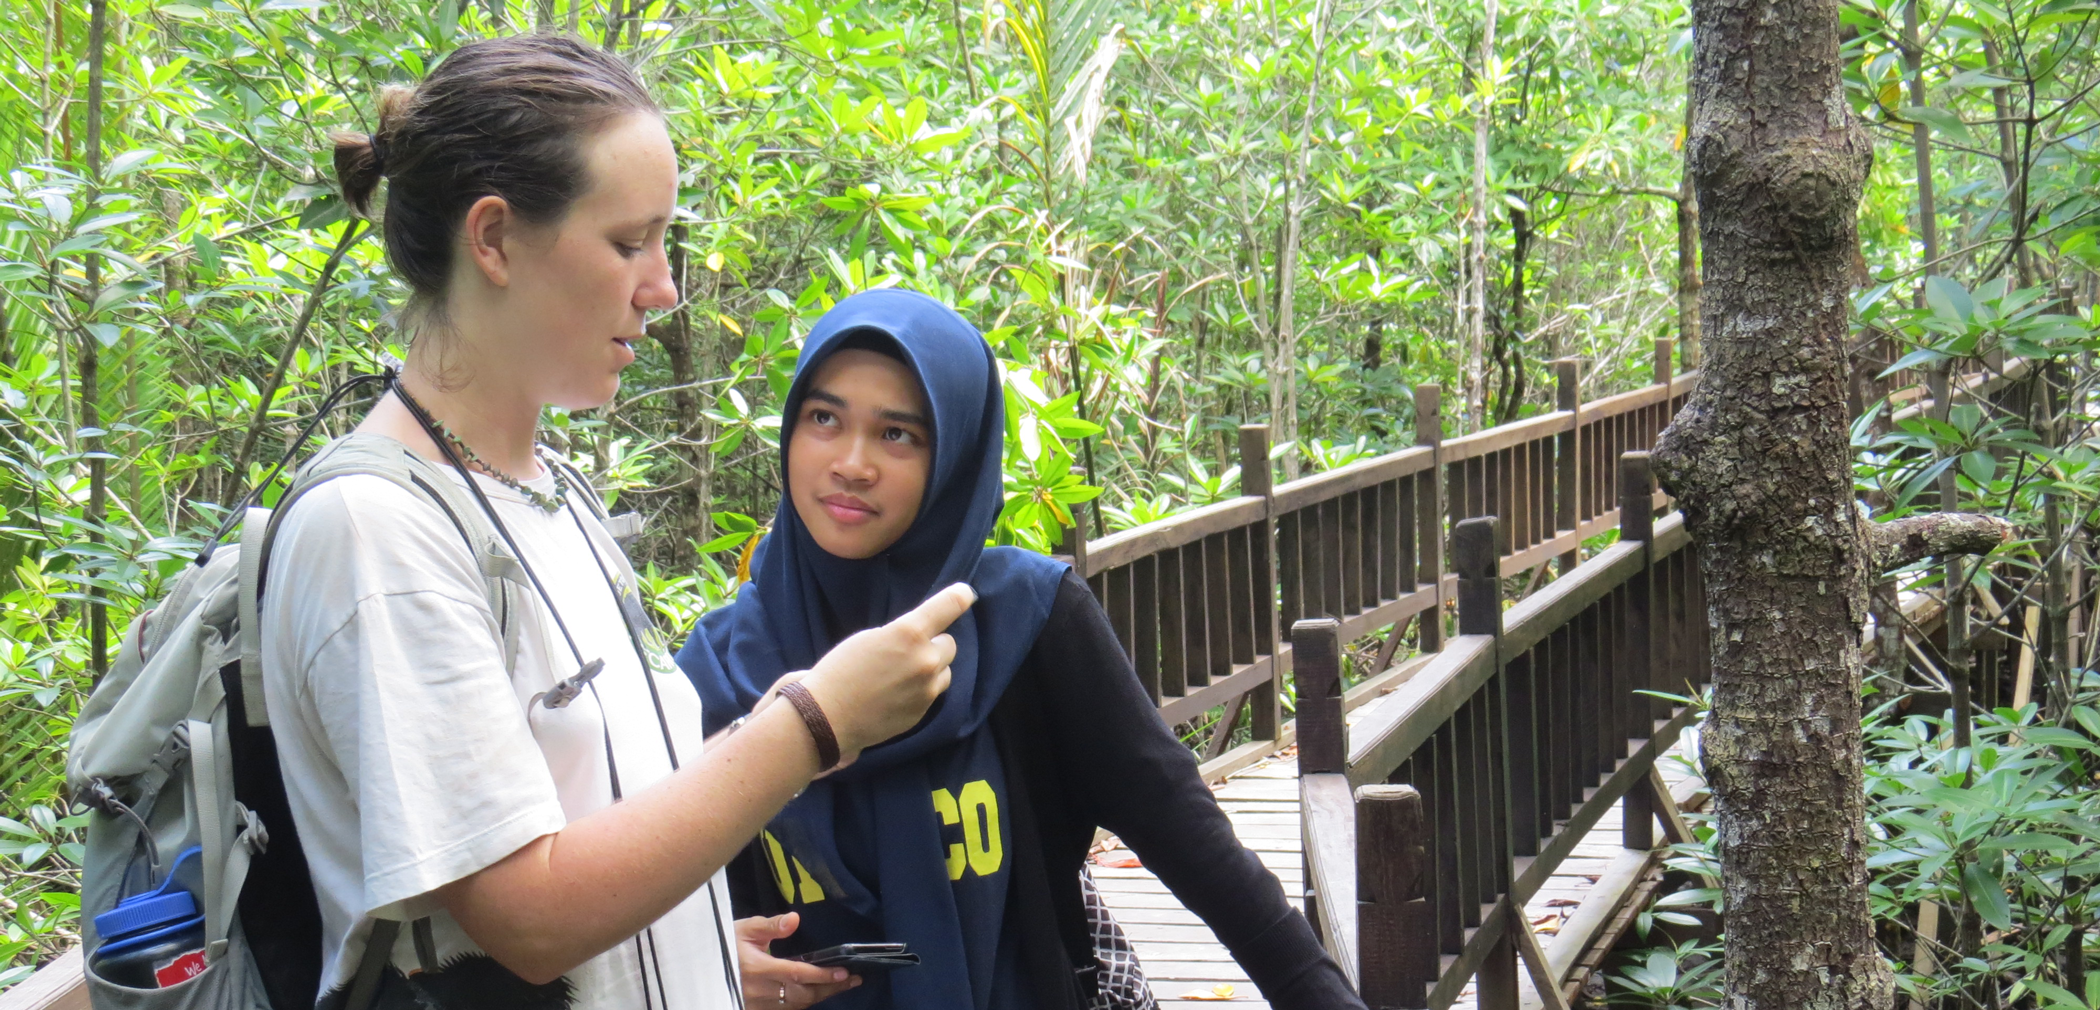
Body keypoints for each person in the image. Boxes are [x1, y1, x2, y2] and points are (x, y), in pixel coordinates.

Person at [263, 35, 974, 1010]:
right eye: (630, 241)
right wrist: (813, 722)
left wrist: (686, 944)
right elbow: (529, 913)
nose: (664, 285)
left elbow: (592, 832)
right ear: (495, 240)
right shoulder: (375, 531)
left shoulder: (550, 491)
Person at [678, 289, 1366, 1010]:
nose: (851, 463)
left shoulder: (1024, 623)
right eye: (825, 418)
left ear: (955, 458)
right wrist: (711, 969)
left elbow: (1198, 850)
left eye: (897, 435)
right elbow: (643, 902)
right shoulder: (723, 663)